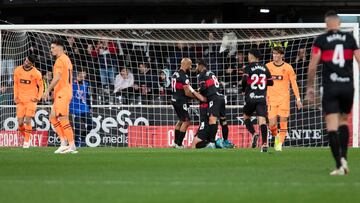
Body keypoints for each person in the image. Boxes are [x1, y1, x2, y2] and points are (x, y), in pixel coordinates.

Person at [306, 10, 360, 175]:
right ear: (339, 23)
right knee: (343, 121)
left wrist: (309, 87)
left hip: (330, 87)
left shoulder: (321, 40)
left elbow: (313, 65)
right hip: (347, 87)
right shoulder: (350, 39)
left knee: (331, 126)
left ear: (326, 24)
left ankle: (339, 165)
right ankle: (344, 158)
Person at [42, 38, 77, 154]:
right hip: (62, 92)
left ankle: (71, 145)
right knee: (52, 116)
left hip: (63, 93)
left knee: (63, 118)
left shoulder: (60, 60)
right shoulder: (66, 59)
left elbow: (57, 77)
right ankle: (63, 143)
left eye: (53, 48)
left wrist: (47, 90)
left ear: (59, 47)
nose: (51, 50)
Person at [266, 46, 303, 151]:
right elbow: (263, 81)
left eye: (277, 54)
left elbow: (294, 84)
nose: (275, 56)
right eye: (274, 53)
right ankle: (276, 137)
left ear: (282, 55)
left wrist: (298, 99)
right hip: (271, 100)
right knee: (272, 125)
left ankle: (279, 144)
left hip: (284, 100)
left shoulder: (288, 68)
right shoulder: (267, 67)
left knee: (283, 122)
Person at [192, 60, 234, 149]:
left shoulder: (201, 75)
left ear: (200, 66)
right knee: (223, 120)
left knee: (212, 119)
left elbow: (203, 88)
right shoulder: (211, 73)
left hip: (213, 98)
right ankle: (226, 141)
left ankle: (212, 142)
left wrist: (196, 92)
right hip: (221, 98)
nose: (196, 68)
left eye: (196, 66)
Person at [241, 49, 273, 152]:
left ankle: (254, 133)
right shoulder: (265, 67)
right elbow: (271, 83)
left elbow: (245, 80)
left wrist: (243, 89)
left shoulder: (248, 67)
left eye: (249, 55)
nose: (248, 57)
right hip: (261, 98)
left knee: (246, 117)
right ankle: (264, 144)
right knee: (262, 121)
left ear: (252, 56)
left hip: (250, 97)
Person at [171, 58, 206, 148]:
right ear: (186, 64)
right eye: (190, 65)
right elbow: (187, 92)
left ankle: (175, 143)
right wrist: (197, 97)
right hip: (181, 101)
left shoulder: (175, 74)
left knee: (181, 121)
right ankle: (179, 144)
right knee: (186, 122)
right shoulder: (184, 76)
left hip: (174, 100)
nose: (191, 67)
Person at [13, 55, 44, 148]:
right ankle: (27, 138)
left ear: (32, 64)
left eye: (28, 62)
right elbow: (15, 84)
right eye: (25, 60)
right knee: (20, 123)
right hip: (20, 100)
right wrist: (15, 96)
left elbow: (41, 86)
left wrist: (38, 97)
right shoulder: (17, 70)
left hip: (31, 100)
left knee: (28, 120)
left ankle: (26, 142)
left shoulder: (36, 73)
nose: (25, 63)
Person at [70, 69, 93, 147]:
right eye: (83, 73)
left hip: (84, 108)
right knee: (77, 127)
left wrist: (89, 107)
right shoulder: (72, 84)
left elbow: (87, 96)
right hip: (75, 108)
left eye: (85, 73)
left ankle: (82, 138)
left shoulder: (86, 84)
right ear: (78, 74)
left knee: (91, 125)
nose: (84, 75)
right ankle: (76, 144)